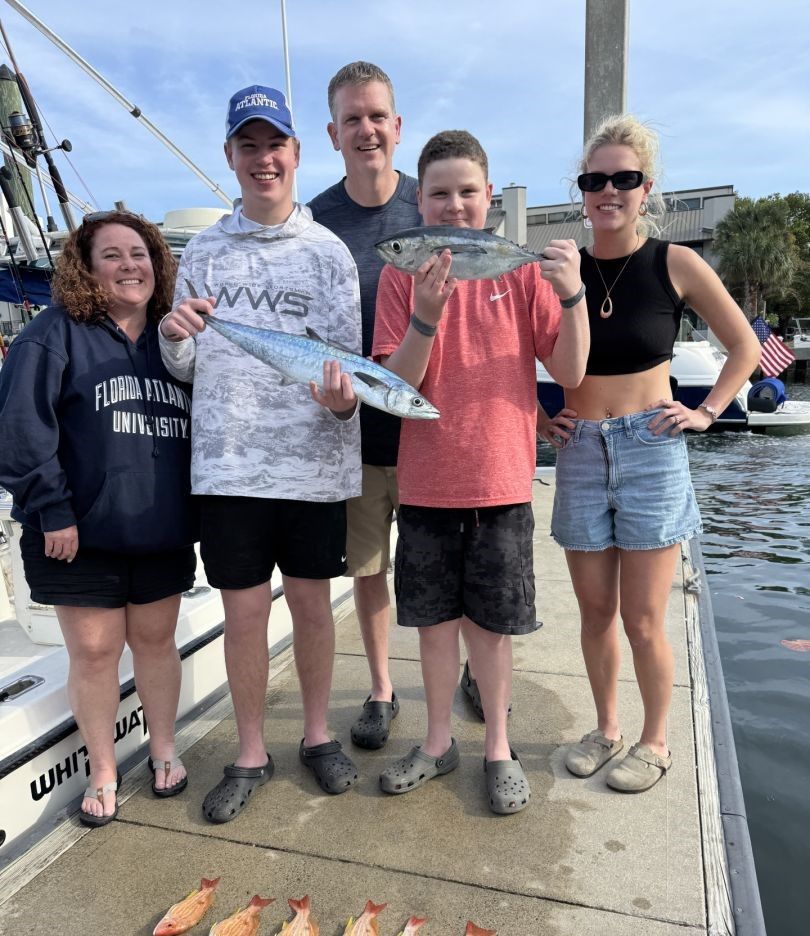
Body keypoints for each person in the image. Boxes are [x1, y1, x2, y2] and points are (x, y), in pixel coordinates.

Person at [537, 114, 760, 793]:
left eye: (623, 179)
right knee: (596, 614)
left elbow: (744, 346)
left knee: (643, 617)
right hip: (578, 451)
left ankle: (655, 741)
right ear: (582, 191)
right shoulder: (560, 268)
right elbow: (517, 352)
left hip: (652, 448)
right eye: (594, 179)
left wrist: (706, 411)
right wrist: (539, 420)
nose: (608, 191)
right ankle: (606, 728)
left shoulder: (676, 263)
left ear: (646, 188)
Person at [158, 85, 363, 823]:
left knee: (312, 607)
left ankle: (315, 736)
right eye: (248, 145)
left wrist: (343, 401)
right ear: (230, 158)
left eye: (273, 143)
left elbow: (348, 369)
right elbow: (184, 368)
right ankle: (249, 752)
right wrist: (173, 338)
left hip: (313, 469)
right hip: (229, 468)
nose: (262, 158)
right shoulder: (204, 251)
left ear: (296, 154)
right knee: (243, 615)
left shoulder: (329, 254)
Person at [372, 130, 589, 813]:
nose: (455, 204)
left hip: (501, 481)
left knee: (491, 632)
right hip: (427, 483)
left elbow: (572, 372)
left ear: (488, 197)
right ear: (420, 201)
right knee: (433, 627)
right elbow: (393, 383)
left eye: (468, 191)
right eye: (440, 193)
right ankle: (438, 745)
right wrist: (426, 320)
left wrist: (575, 296)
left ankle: (498, 744)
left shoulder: (521, 271)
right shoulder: (398, 275)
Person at [0, 211, 198, 826]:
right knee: (93, 655)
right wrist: (52, 510)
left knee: (158, 645)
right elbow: (20, 432)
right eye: (110, 255)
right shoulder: (52, 335)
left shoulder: (178, 344)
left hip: (160, 530)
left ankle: (164, 750)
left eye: (139, 253)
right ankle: (104, 770)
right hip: (76, 536)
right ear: (85, 268)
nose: (129, 265)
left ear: (158, 264)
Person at [308, 61, 420, 750]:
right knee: (369, 569)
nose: (366, 129)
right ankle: (382, 688)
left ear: (398, 126)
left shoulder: (432, 207)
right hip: (353, 433)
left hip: (434, 433)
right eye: (353, 119)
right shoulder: (314, 219)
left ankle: (466, 669)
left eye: (377, 116)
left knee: (450, 566)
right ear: (333, 132)